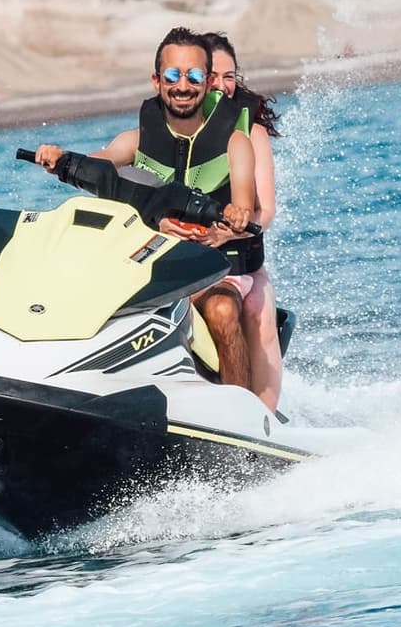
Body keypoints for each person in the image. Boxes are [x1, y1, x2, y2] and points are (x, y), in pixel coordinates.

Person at [33, 27, 260, 392]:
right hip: (145, 260)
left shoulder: (236, 143)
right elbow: (100, 162)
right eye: (172, 75)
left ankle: (240, 421)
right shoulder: (134, 141)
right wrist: (60, 158)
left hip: (208, 269)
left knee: (222, 312)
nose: (182, 85)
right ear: (157, 81)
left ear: (206, 83)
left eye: (193, 76)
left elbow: (245, 205)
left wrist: (235, 214)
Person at [203, 33, 283, 413]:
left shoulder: (252, 132)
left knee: (259, 314)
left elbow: (265, 208)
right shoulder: (173, 134)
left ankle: (263, 428)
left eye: (229, 75)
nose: (221, 84)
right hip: (191, 264)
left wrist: (238, 227)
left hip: (242, 257)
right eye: (212, 75)